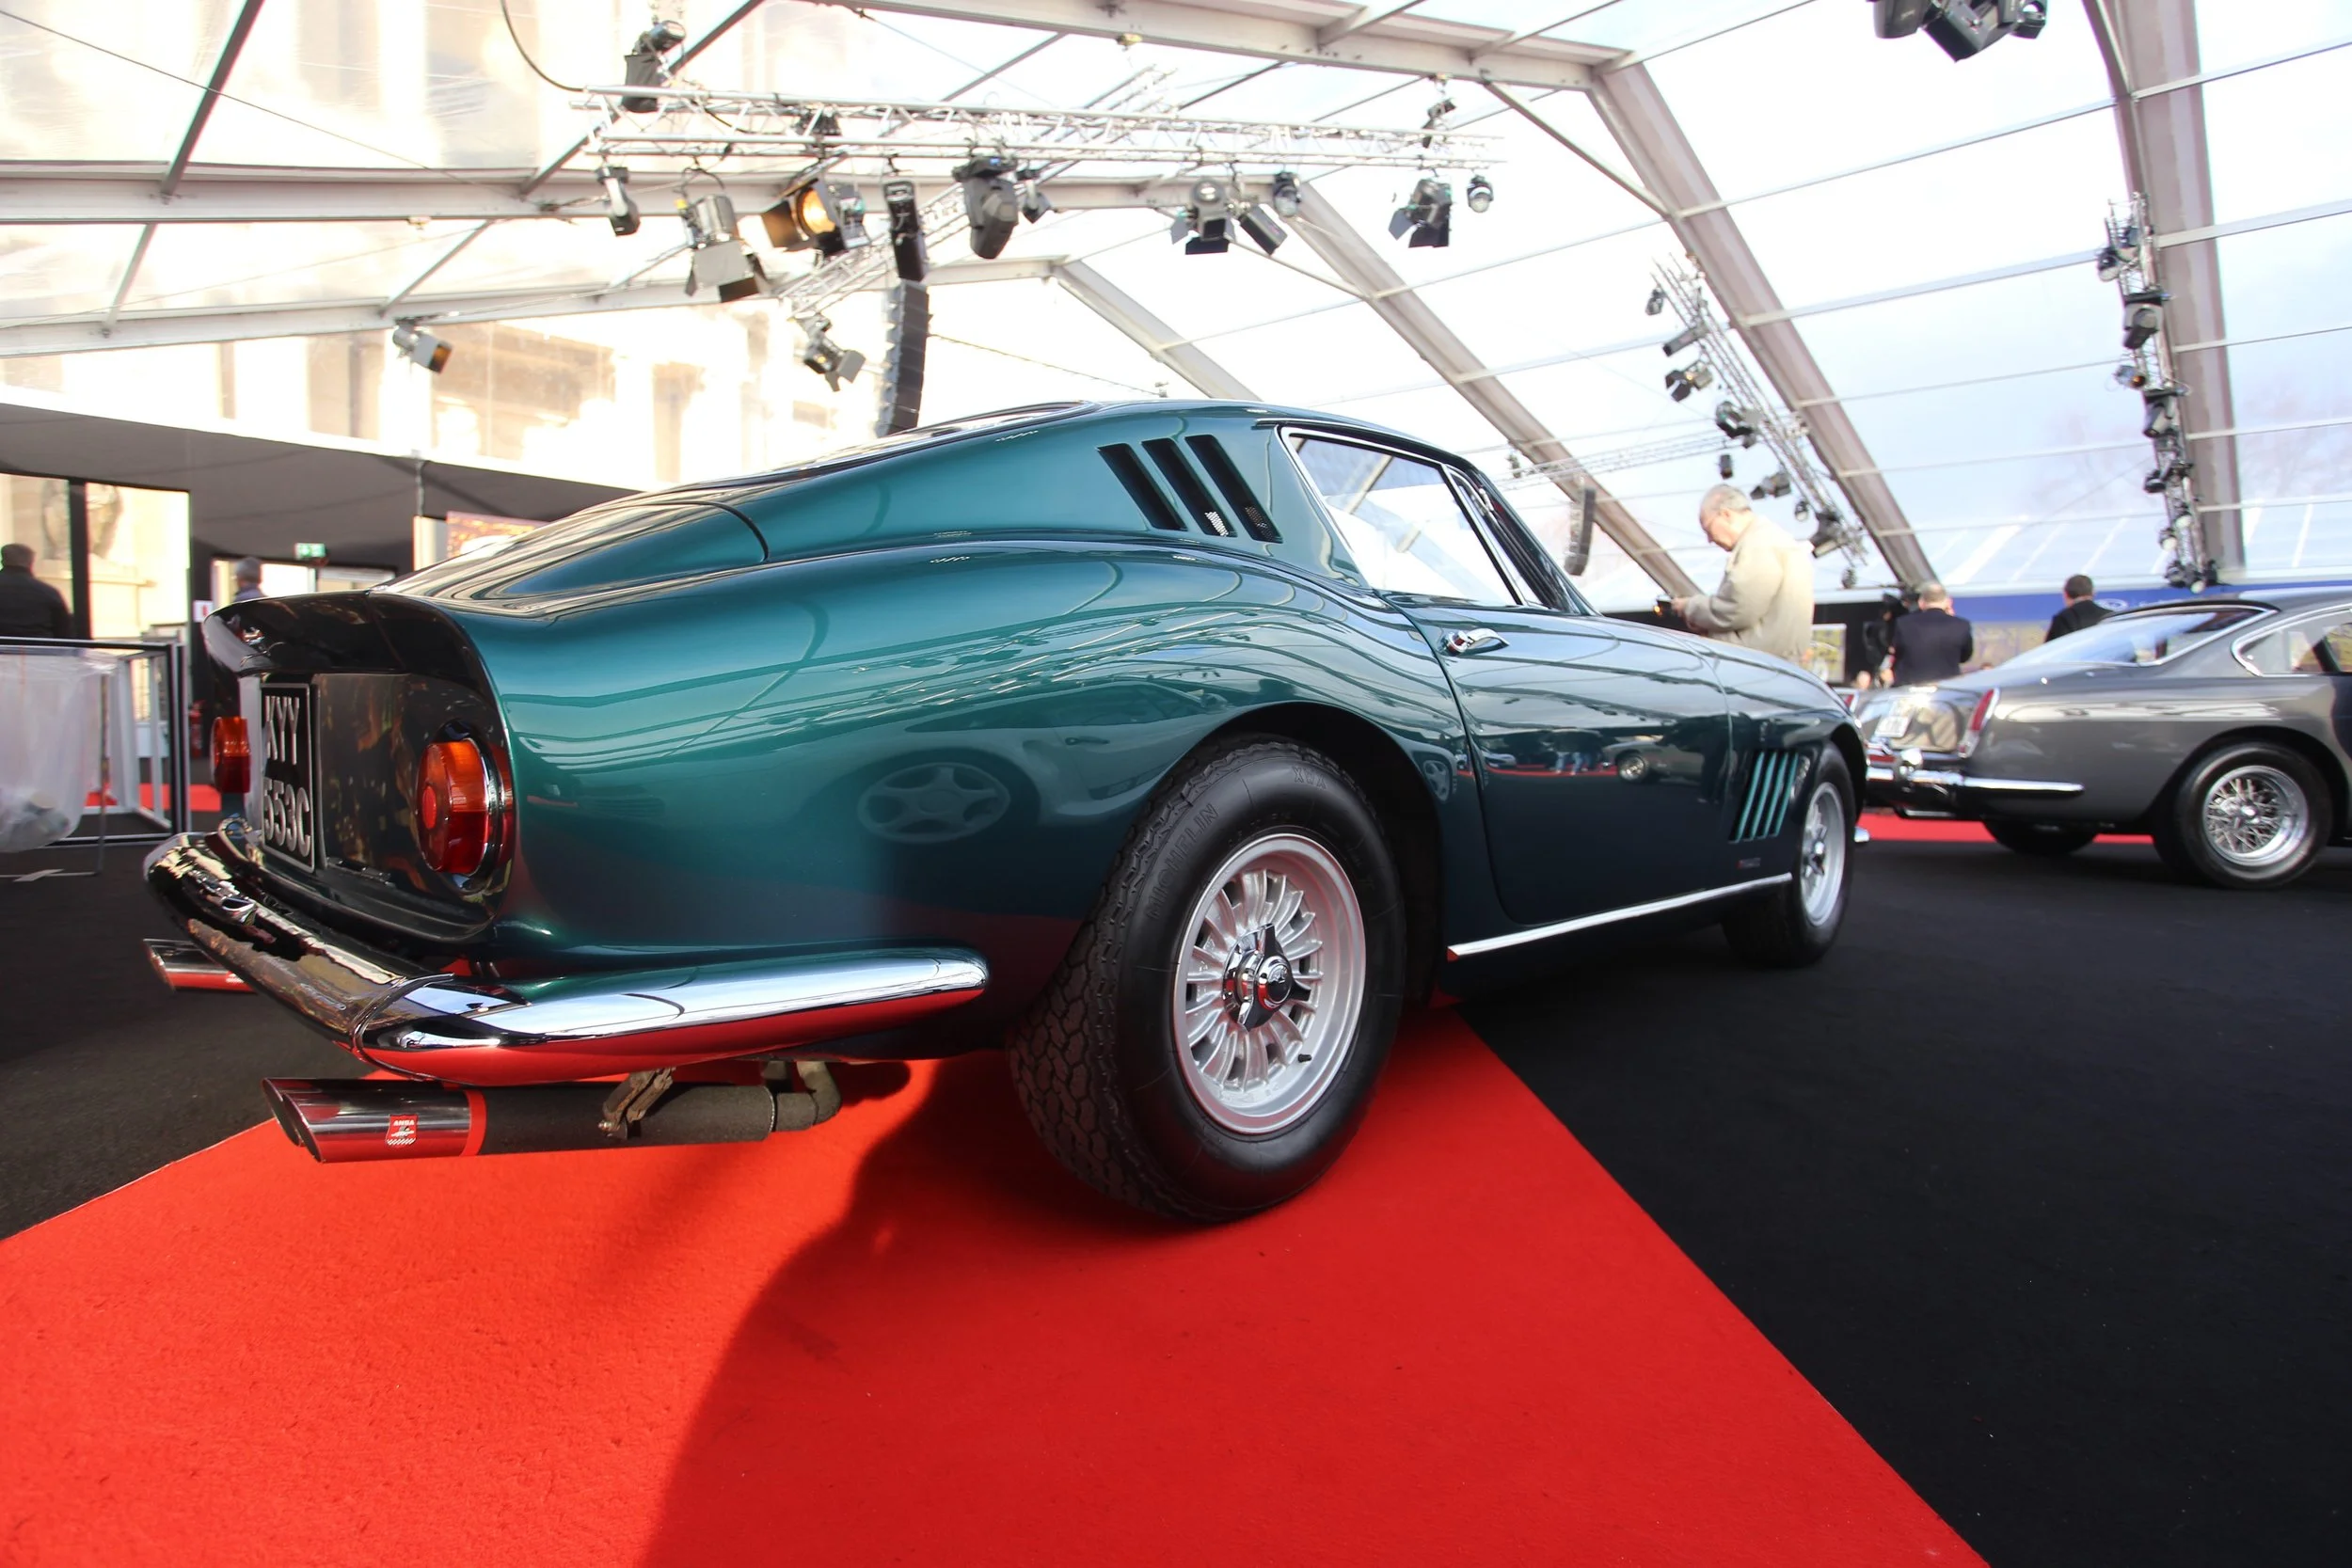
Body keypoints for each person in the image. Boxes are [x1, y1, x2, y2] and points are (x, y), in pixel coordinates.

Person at [1671, 483, 1814, 664]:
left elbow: (1736, 609)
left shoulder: (1758, 544)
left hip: (1754, 664)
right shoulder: (1779, 539)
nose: (1709, 539)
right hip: (1779, 661)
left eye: (1708, 529)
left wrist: (1689, 607)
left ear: (1726, 515)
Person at [1888, 581, 1973, 686]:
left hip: (1911, 685)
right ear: (1948, 602)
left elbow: (1898, 653)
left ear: (1921, 602)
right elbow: (1965, 657)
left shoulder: (1904, 623)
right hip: (1947, 686)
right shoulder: (1961, 625)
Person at [0, 542, 71, 639]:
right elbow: (64, 631)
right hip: (38, 646)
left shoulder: (48, 592)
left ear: (3, 561)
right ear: (30, 563)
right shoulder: (48, 592)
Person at [2044, 573, 2109, 642]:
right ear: (2093, 593)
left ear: (2066, 594)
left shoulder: (2063, 618)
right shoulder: (2110, 616)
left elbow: (2052, 647)